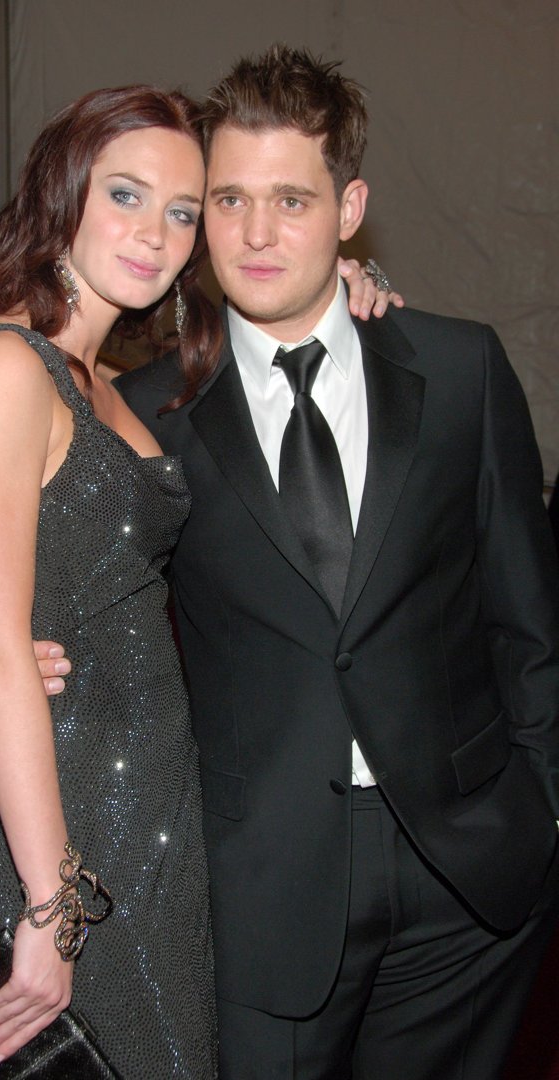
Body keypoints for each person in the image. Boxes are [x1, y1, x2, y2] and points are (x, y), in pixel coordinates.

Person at [112, 45, 559, 1079]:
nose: (257, 234)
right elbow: (91, 625)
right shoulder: (146, 418)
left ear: (350, 208)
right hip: (261, 885)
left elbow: (529, 619)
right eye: (230, 200)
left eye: (292, 200)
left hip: (467, 883)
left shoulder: (459, 370)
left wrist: (542, 811)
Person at [0, 85, 222, 1078]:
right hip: (69, 820)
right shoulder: (6, 368)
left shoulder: (107, 381)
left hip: (157, 806)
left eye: (182, 212)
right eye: (126, 194)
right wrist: (53, 905)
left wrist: (356, 286)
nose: (155, 234)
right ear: (64, 192)